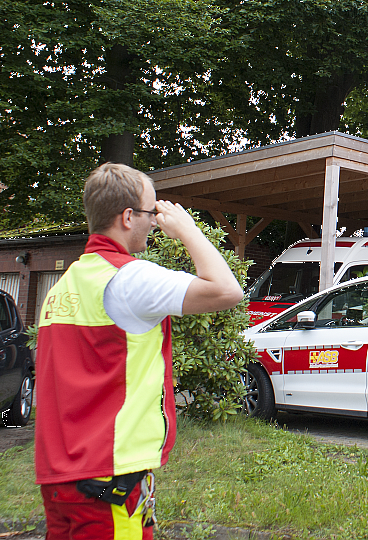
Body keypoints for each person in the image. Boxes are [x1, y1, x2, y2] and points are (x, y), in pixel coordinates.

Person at [35, 163, 244, 540]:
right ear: (128, 217)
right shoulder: (130, 278)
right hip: (108, 477)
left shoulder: (68, 284)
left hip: (60, 476)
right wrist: (188, 231)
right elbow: (227, 290)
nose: (155, 222)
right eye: (151, 213)